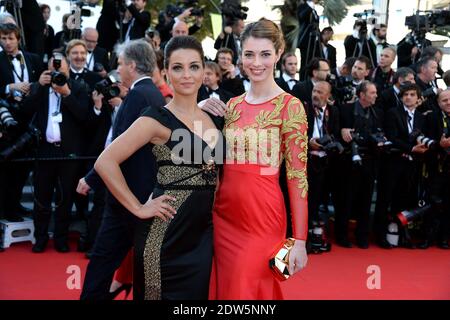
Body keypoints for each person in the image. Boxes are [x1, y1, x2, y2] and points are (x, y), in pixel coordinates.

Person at [93, 35, 224, 300]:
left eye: (194, 66)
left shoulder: (215, 118)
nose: (186, 75)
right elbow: (104, 162)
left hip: (202, 237)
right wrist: (138, 207)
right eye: (177, 67)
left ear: (204, 70)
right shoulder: (155, 118)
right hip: (162, 237)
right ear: (165, 73)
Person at [205, 18, 308, 300]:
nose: (256, 62)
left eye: (264, 54)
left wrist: (299, 240)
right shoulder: (233, 105)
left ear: (278, 54)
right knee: (223, 288)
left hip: (262, 217)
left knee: (245, 288)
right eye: (249, 54)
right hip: (223, 214)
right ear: (240, 56)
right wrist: (198, 110)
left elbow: (298, 177)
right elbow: (215, 160)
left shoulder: (291, 106)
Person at [80, 39, 165, 300]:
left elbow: (118, 146)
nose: (118, 68)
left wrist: (91, 179)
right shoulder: (152, 93)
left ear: (132, 65)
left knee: (102, 262)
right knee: (140, 265)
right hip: (143, 193)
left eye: (120, 63)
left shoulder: (139, 95)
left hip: (125, 198)